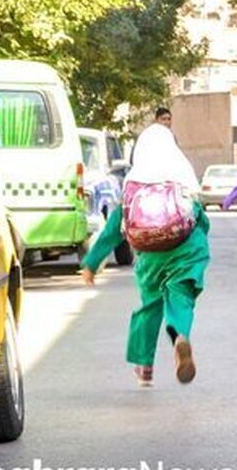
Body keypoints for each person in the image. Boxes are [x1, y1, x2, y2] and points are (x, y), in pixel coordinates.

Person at [80, 123, 211, 387]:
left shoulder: (134, 184)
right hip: (186, 250)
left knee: (151, 305)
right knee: (180, 297)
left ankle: (144, 366)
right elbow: (201, 221)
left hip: (151, 255)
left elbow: (115, 228)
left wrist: (92, 263)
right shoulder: (182, 176)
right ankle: (180, 336)